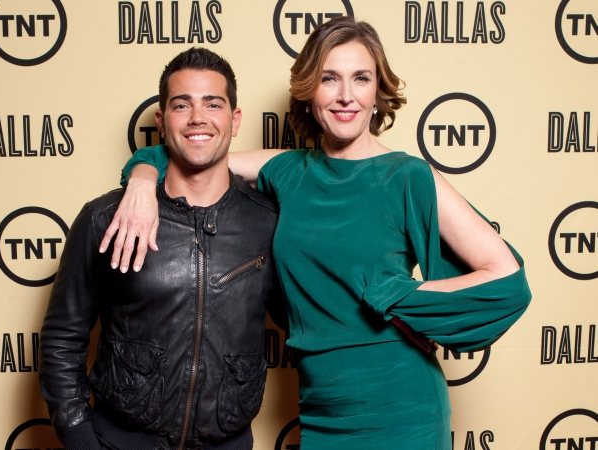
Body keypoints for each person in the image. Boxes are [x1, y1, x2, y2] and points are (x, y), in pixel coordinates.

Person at [103, 17, 532, 449]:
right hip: (322, 407)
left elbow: (508, 280)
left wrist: (403, 301)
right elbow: (194, 150)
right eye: (330, 78)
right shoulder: (287, 170)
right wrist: (141, 178)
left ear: (378, 94)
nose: (346, 95)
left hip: (401, 407)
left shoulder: (407, 176)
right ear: (309, 93)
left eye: (361, 78)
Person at [39, 47, 286, 450]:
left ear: (235, 120)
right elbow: (62, 339)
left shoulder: (268, 222)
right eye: (181, 105)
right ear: (161, 120)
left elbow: (307, 319)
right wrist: (81, 440)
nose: (197, 118)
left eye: (213, 104)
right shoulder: (106, 218)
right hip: (119, 442)